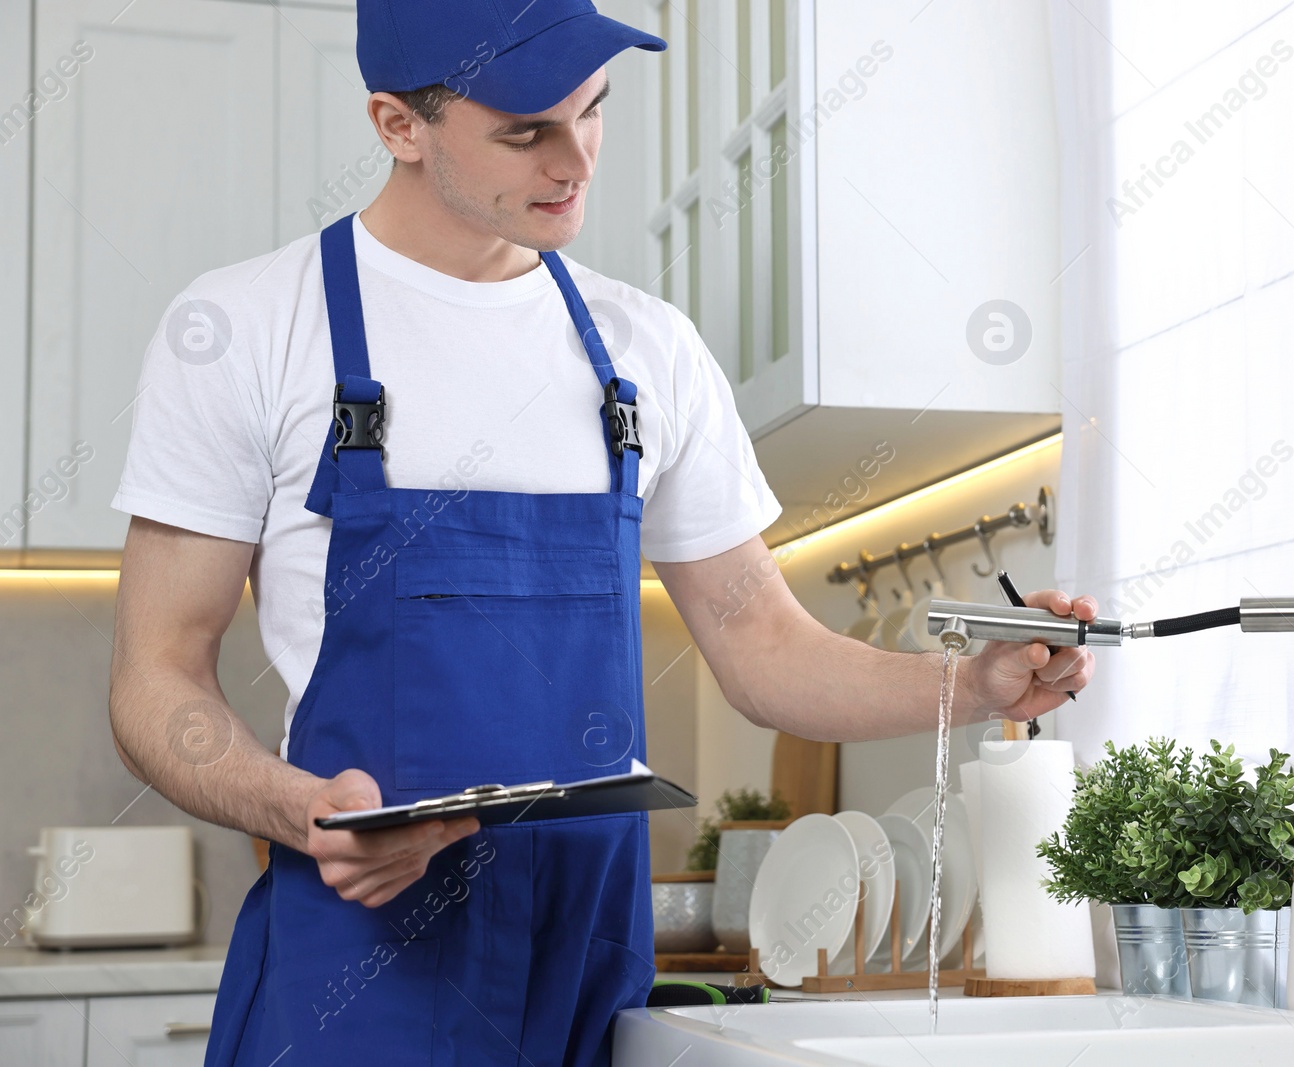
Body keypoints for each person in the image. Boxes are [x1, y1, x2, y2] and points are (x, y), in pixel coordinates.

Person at [105, 1, 1098, 1063]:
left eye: (594, 112)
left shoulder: (645, 354)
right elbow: (155, 678)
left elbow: (763, 647)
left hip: (588, 971)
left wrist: (972, 685)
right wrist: (297, 805)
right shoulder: (247, 331)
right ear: (398, 124)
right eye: (526, 130)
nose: (574, 160)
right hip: (360, 969)